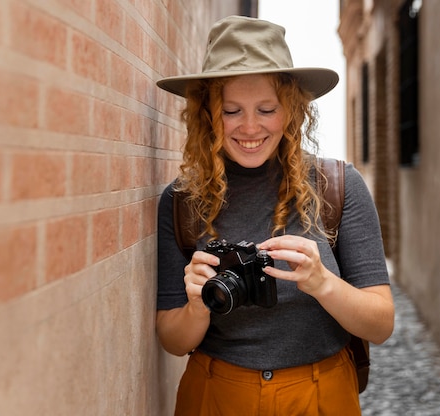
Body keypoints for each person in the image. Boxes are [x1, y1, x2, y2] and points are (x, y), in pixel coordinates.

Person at [155, 15, 394, 416]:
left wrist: (322, 283)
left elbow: (381, 323)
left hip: (322, 395)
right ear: (208, 115)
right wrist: (197, 306)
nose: (250, 127)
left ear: (291, 111)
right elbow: (172, 339)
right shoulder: (182, 200)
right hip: (215, 393)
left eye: (266, 108)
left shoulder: (338, 186)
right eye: (231, 110)